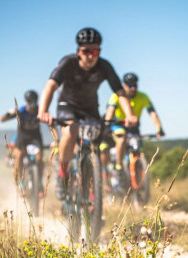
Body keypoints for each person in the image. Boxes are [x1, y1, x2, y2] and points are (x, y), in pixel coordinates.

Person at [37, 27, 137, 201]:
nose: (91, 56)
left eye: (95, 51)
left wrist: (129, 114)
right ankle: (63, 174)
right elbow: (50, 86)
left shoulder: (104, 66)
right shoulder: (68, 63)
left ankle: (92, 192)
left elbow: (120, 93)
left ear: (100, 51)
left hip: (90, 108)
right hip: (67, 105)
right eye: (86, 51)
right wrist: (43, 110)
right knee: (70, 131)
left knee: (95, 144)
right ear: (78, 51)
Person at [102, 72, 165, 185]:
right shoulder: (116, 96)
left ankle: (138, 178)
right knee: (121, 139)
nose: (133, 88)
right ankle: (118, 167)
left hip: (134, 127)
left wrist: (159, 129)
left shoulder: (143, 96)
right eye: (130, 85)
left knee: (138, 149)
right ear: (124, 85)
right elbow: (110, 111)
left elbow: (153, 113)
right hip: (118, 125)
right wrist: (107, 125)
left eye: (135, 85)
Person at [0, 90, 43, 196]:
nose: (32, 104)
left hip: (35, 138)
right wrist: (8, 113)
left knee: (39, 159)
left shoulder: (40, 110)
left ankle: (39, 183)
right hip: (22, 138)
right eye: (30, 102)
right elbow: (2, 120)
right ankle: (20, 184)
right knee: (18, 157)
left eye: (34, 101)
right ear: (26, 102)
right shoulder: (21, 111)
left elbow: (51, 123)